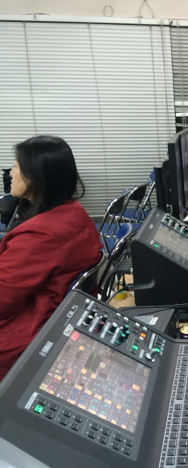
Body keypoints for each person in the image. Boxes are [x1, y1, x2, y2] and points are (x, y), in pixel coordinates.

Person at [0, 136, 103, 381]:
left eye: (16, 166)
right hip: (55, 317)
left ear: (36, 177)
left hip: (26, 335)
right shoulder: (73, 213)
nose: (10, 173)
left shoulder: (39, 235)